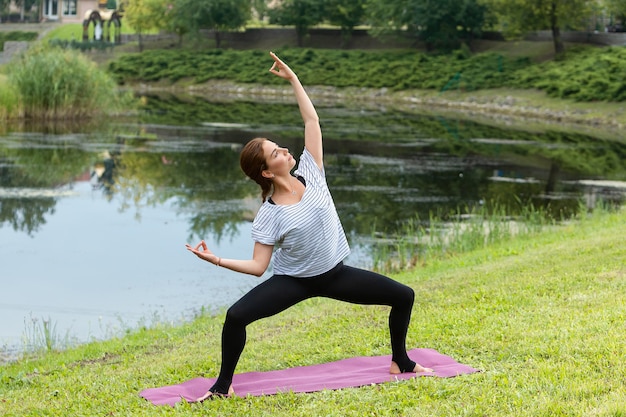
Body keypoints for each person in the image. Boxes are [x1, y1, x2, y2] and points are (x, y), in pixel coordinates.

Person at [185, 52, 433, 400]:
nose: (285, 150)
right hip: (294, 282)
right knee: (236, 316)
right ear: (268, 172)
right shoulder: (269, 214)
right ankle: (221, 387)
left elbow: (311, 120)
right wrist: (216, 260)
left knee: (403, 295)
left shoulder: (312, 171)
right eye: (276, 153)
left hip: (335, 274)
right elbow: (259, 267)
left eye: (279, 147)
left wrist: (293, 80)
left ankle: (401, 362)